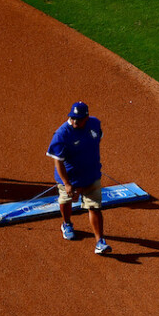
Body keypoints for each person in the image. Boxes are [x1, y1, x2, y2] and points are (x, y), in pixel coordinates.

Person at [46, 101, 111, 254]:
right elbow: (58, 161)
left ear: (86, 117)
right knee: (66, 201)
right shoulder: (62, 135)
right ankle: (67, 223)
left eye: (79, 118)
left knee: (95, 207)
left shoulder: (94, 124)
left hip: (91, 176)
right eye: (73, 118)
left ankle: (100, 242)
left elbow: (97, 139)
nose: (75, 121)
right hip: (70, 179)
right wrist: (67, 184)